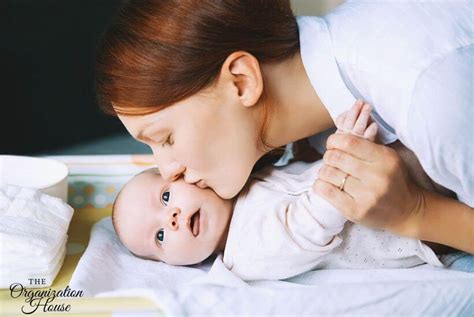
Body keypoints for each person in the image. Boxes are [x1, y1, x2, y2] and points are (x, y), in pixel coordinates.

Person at [95, 1, 473, 255]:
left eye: (166, 139)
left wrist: (416, 213)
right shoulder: (310, 124)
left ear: (241, 81)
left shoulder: (428, 96)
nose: (166, 172)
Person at [112, 106, 445, 280]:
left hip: (391, 176)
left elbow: (295, 178)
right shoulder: (248, 253)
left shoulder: (240, 189)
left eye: (166, 197)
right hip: (414, 223)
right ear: (173, 265)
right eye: (159, 237)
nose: (170, 219)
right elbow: (312, 222)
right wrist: (346, 149)